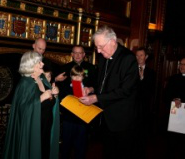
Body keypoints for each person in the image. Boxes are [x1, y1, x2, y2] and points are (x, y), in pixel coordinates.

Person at [79, 26, 139, 159]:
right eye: (97, 47)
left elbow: (124, 90)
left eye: (101, 46)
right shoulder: (104, 57)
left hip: (122, 121)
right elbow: (102, 83)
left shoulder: (128, 58)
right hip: (106, 118)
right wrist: (91, 89)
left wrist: (96, 98)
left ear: (113, 41)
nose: (99, 51)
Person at [3, 51, 60, 159]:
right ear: (30, 64)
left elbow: (51, 100)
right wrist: (41, 98)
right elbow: (23, 110)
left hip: (46, 126)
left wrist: (55, 94)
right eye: (39, 62)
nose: (42, 64)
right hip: (32, 129)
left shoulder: (42, 78)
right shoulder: (25, 83)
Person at [58, 46, 96, 159]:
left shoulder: (91, 68)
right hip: (68, 115)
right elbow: (60, 89)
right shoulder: (65, 68)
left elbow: (97, 86)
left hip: (83, 114)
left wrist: (90, 89)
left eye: (80, 53)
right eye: (75, 53)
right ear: (72, 54)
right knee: (66, 146)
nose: (78, 55)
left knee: (81, 145)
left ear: (84, 54)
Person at [135, 47, 156, 159]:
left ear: (146, 57)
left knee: (143, 135)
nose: (139, 57)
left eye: (141, 55)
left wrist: (142, 77)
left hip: (145, 109)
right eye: (137, 55)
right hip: (132, 109)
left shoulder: (152, 73)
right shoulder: (131, 70)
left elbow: (152, 91)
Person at [164, 57, 185, 159]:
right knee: (171, 143)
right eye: (181, 64)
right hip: (174, 116)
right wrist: (175, 98)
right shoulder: (173, 78)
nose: (182, 66)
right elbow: (166, 94)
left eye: (184, 64)